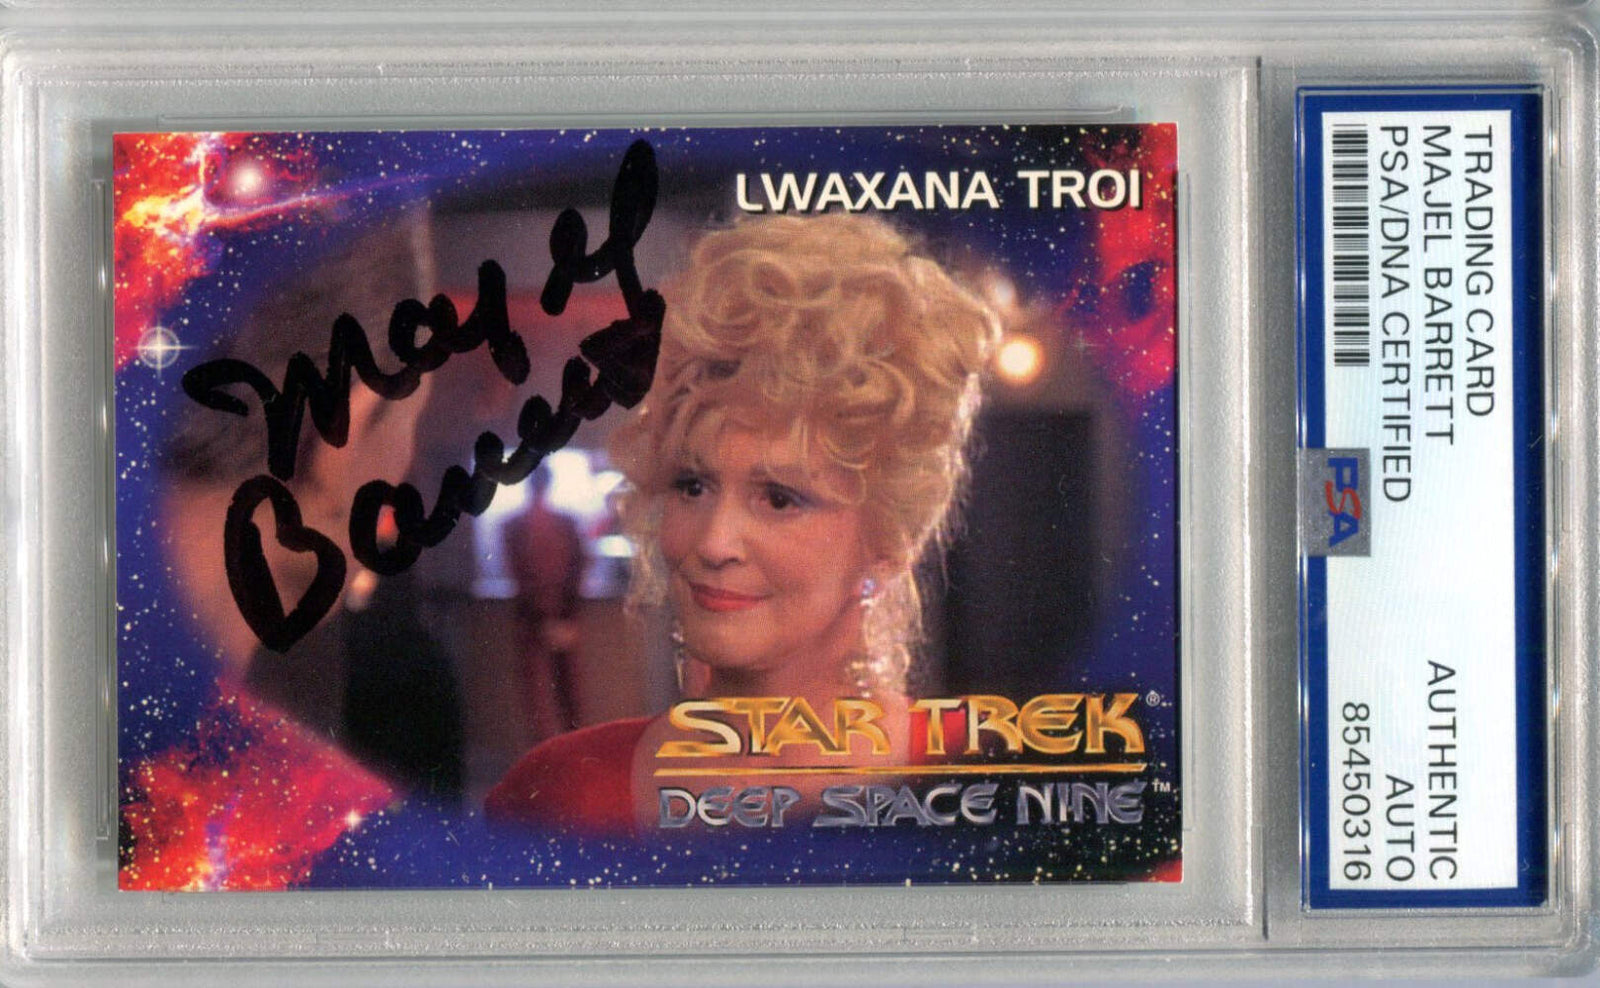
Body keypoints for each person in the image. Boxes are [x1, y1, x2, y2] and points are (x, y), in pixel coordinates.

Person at [486, 213, 998, 835]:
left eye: (779, 499)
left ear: (891, 540)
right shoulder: (558, 794)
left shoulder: (990, 785)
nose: (713, 542)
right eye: (692, 485)